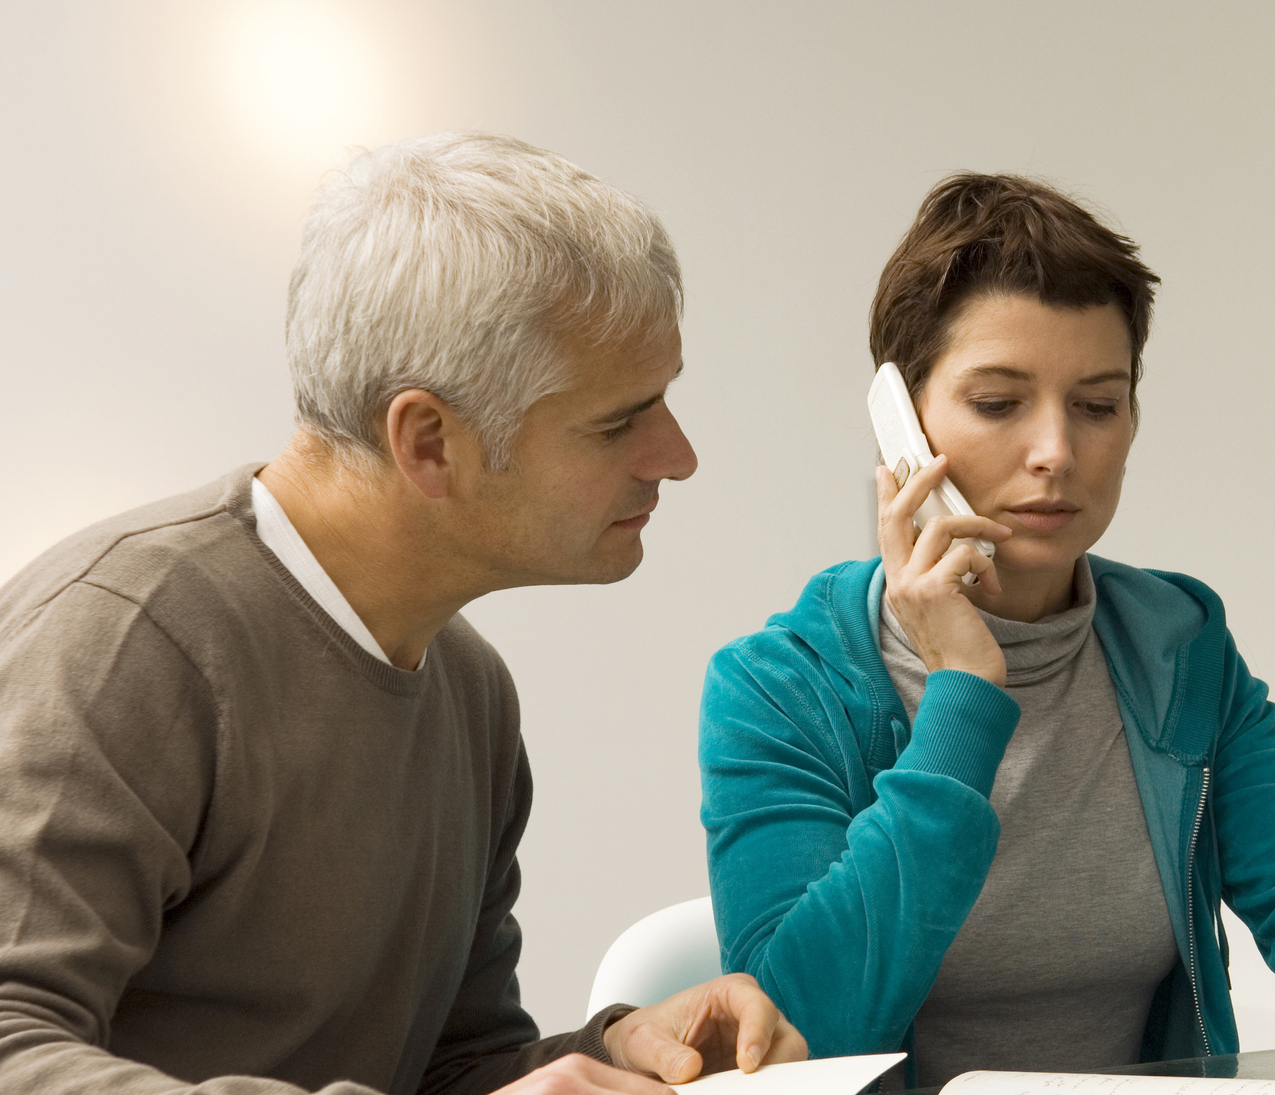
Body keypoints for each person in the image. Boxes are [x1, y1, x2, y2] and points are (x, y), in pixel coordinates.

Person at [0, 133, 806, 1094]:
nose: (677, 455)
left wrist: (608, 1052)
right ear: (429, 440)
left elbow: (448, 1068)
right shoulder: (122, 641)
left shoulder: (472, 692)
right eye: (617, 419)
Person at [698, 174, 1275, 1086]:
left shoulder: (1179, 647)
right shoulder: (777, 687)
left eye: (1097, 404)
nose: (1056, 450)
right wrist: (963, 696)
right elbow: (792, 1043)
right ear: (902, 425)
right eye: (999, 402)